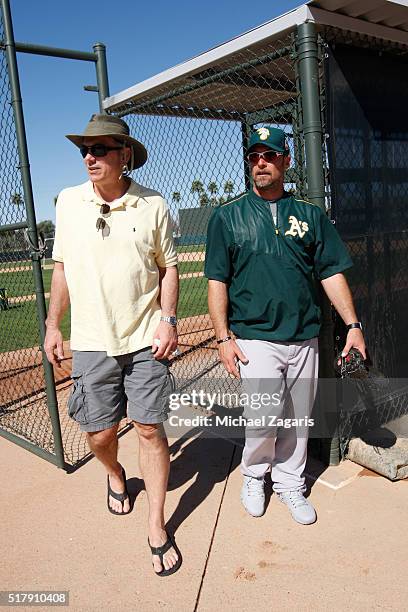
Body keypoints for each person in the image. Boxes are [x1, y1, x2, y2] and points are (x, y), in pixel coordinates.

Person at [205, 126, 366, 524]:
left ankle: (290, 483)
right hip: (255, 336)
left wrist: (354, 325)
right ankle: (254, 476)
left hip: (304, 334)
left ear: (286, 162)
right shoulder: (227, 217)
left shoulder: (310, 216)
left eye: (270, 155)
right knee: (263, 416)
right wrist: (223, 337)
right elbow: (217, 281)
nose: (261, 162)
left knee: (297, 417)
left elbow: (331, 273)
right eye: (254, 156)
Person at [44, 113, 182, 576]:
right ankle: (116, 473)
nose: (89, 156)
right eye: (85, 149)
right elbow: (60, 267)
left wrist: (168, 320)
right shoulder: (68, 202)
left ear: (125, 156)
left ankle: (157, 523)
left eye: (100, 148)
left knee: (148, 429)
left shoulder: (154, 206)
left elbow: (169, 269)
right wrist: (52, 324)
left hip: (145, 338)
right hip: (90, 341)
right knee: (99, 434)